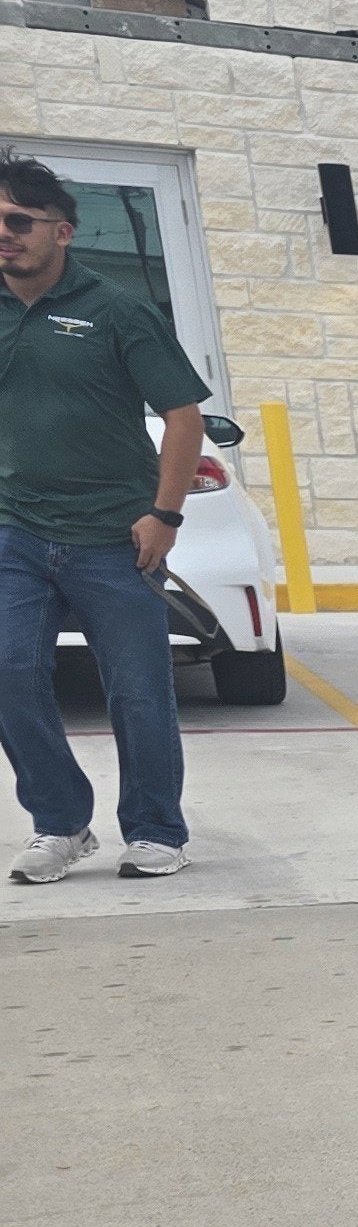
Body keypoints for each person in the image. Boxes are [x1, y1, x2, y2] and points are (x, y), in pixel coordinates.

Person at [0, 154, 208, 883]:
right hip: (15, 531)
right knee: (7, 670)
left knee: (139, 689)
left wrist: (165, 514)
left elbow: (184, 417)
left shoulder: (116, 309)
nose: (5, 234)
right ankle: (59, 823)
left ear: (62, 230)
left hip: (115, 536)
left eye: (18, 222)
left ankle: (155, 828)